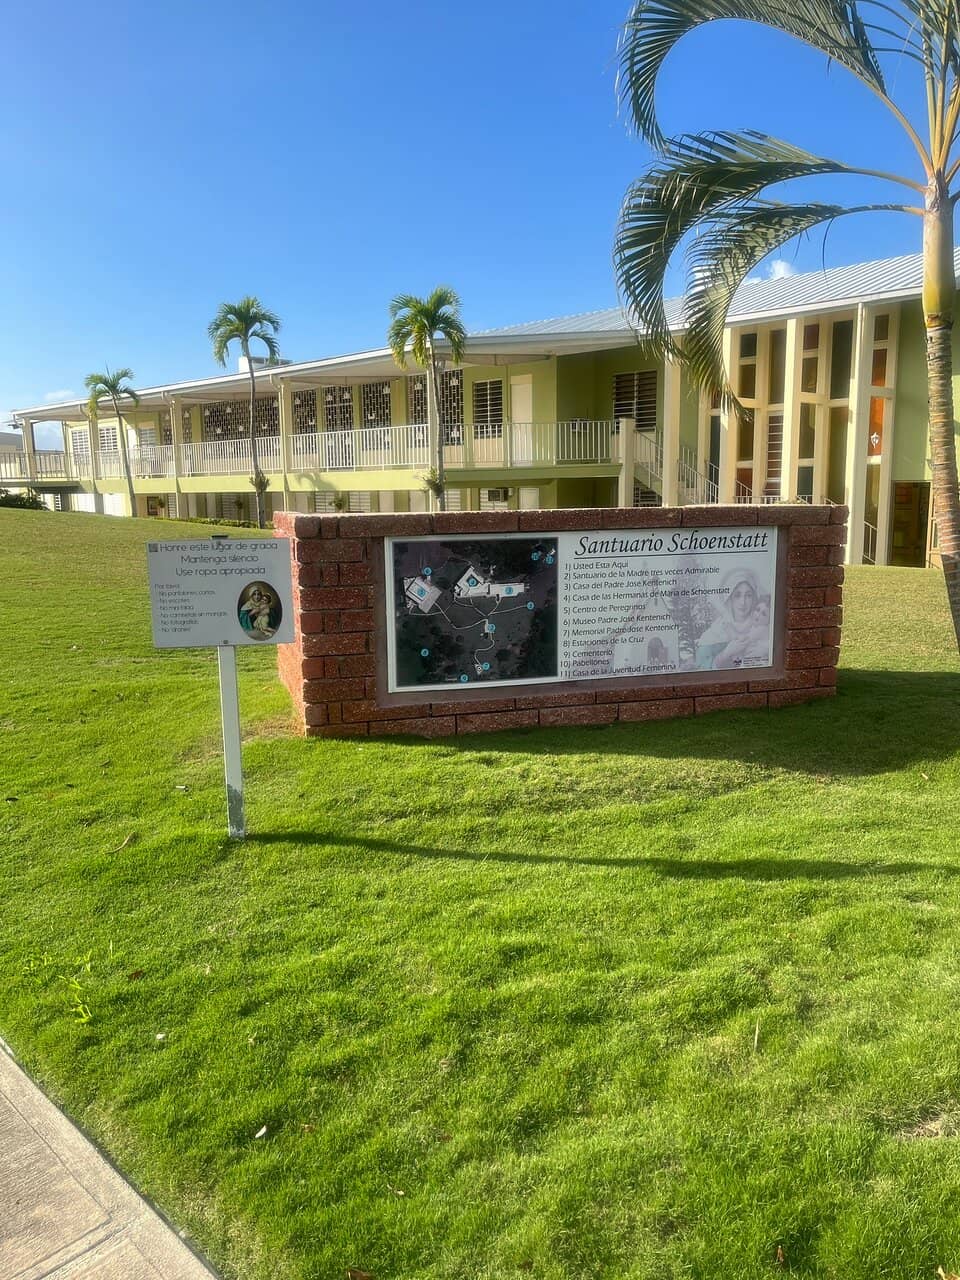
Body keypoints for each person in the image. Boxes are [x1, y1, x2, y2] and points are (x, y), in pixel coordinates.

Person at [695, 568, 769, 669]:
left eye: (748, 595)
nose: (742, 602)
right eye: (737, 595)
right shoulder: (716, 632)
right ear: (728, 598)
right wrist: (726, 653)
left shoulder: (762, 625)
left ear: (754, 598)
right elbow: (701, 668)